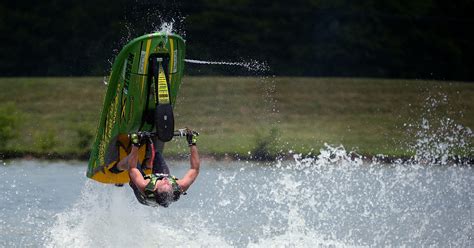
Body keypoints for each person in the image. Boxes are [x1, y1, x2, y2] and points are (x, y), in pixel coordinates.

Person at [115, 129, 200, 207]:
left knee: (132, 162)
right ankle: (147, 162)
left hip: (143, 198)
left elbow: (133, 168)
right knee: (157, 155)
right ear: (172, 190)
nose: (166, 181)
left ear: (156, 188)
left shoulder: (144, 185)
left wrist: (135, 144)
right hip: (162, 193)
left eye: (164, 184)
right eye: (168, 184)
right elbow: (194, 169)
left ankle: (116, 168)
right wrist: (192, 143)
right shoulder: (180, 185)